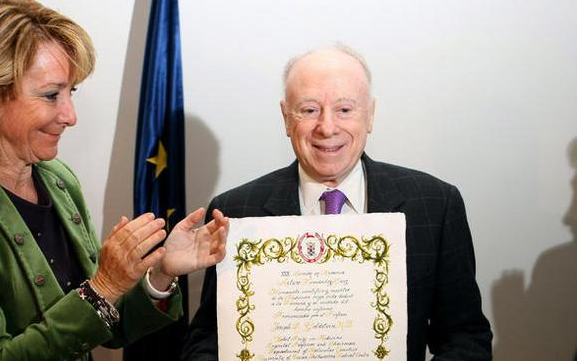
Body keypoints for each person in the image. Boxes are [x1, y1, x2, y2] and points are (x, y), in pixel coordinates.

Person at [0, 0, 228, 361]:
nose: (70, 115)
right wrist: (105, 285)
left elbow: (106, 326)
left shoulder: (58, 179)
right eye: (51, 95)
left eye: (71, 92)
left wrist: (161, 271)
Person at [181, 45, 492, 360]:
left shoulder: (435, 204)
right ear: (286, 118)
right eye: (309, 110)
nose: (327, 127)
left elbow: (466, 338)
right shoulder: (235, 211)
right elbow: (208, 342)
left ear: (369, 115)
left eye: (345, 109)